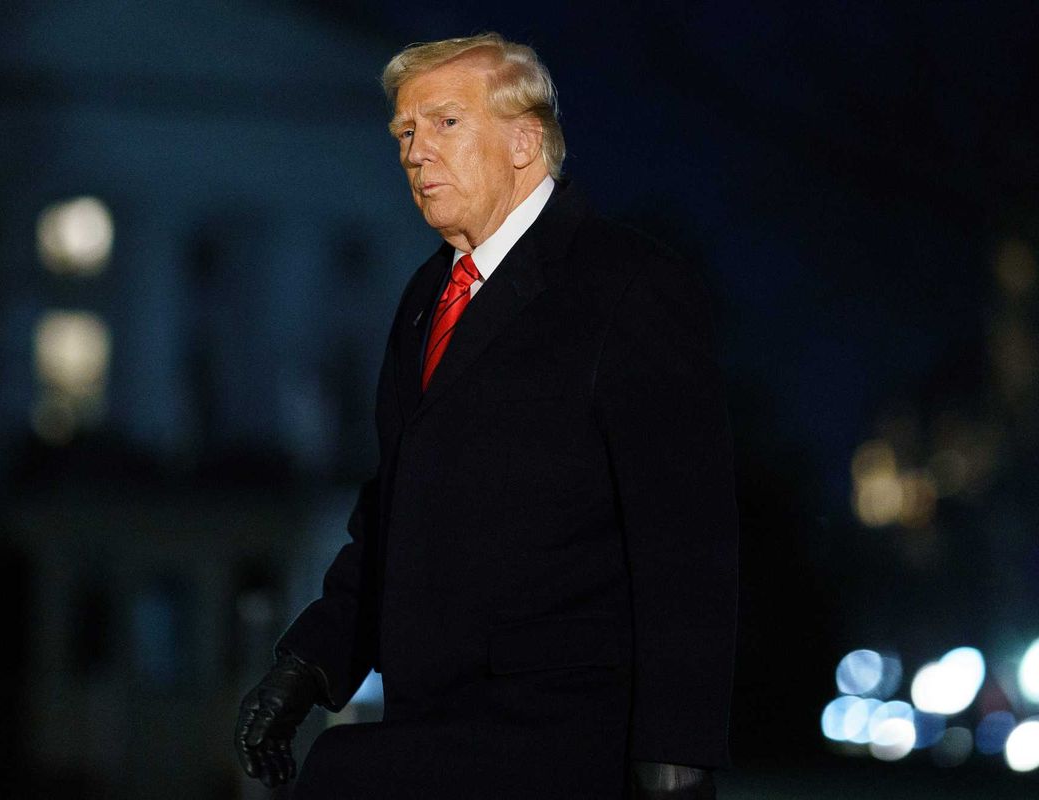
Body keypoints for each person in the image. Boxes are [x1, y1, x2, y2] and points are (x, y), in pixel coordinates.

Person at [235, 32, 738, 799]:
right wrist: (306, 666)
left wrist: (677, 754)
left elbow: (686, 541)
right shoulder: (422, 301)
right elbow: (393, 518)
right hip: (432, 719)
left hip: (565, 738)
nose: (413, 151)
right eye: (404, 131)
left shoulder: (626, 283)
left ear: (524, 141)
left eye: (444, 123)